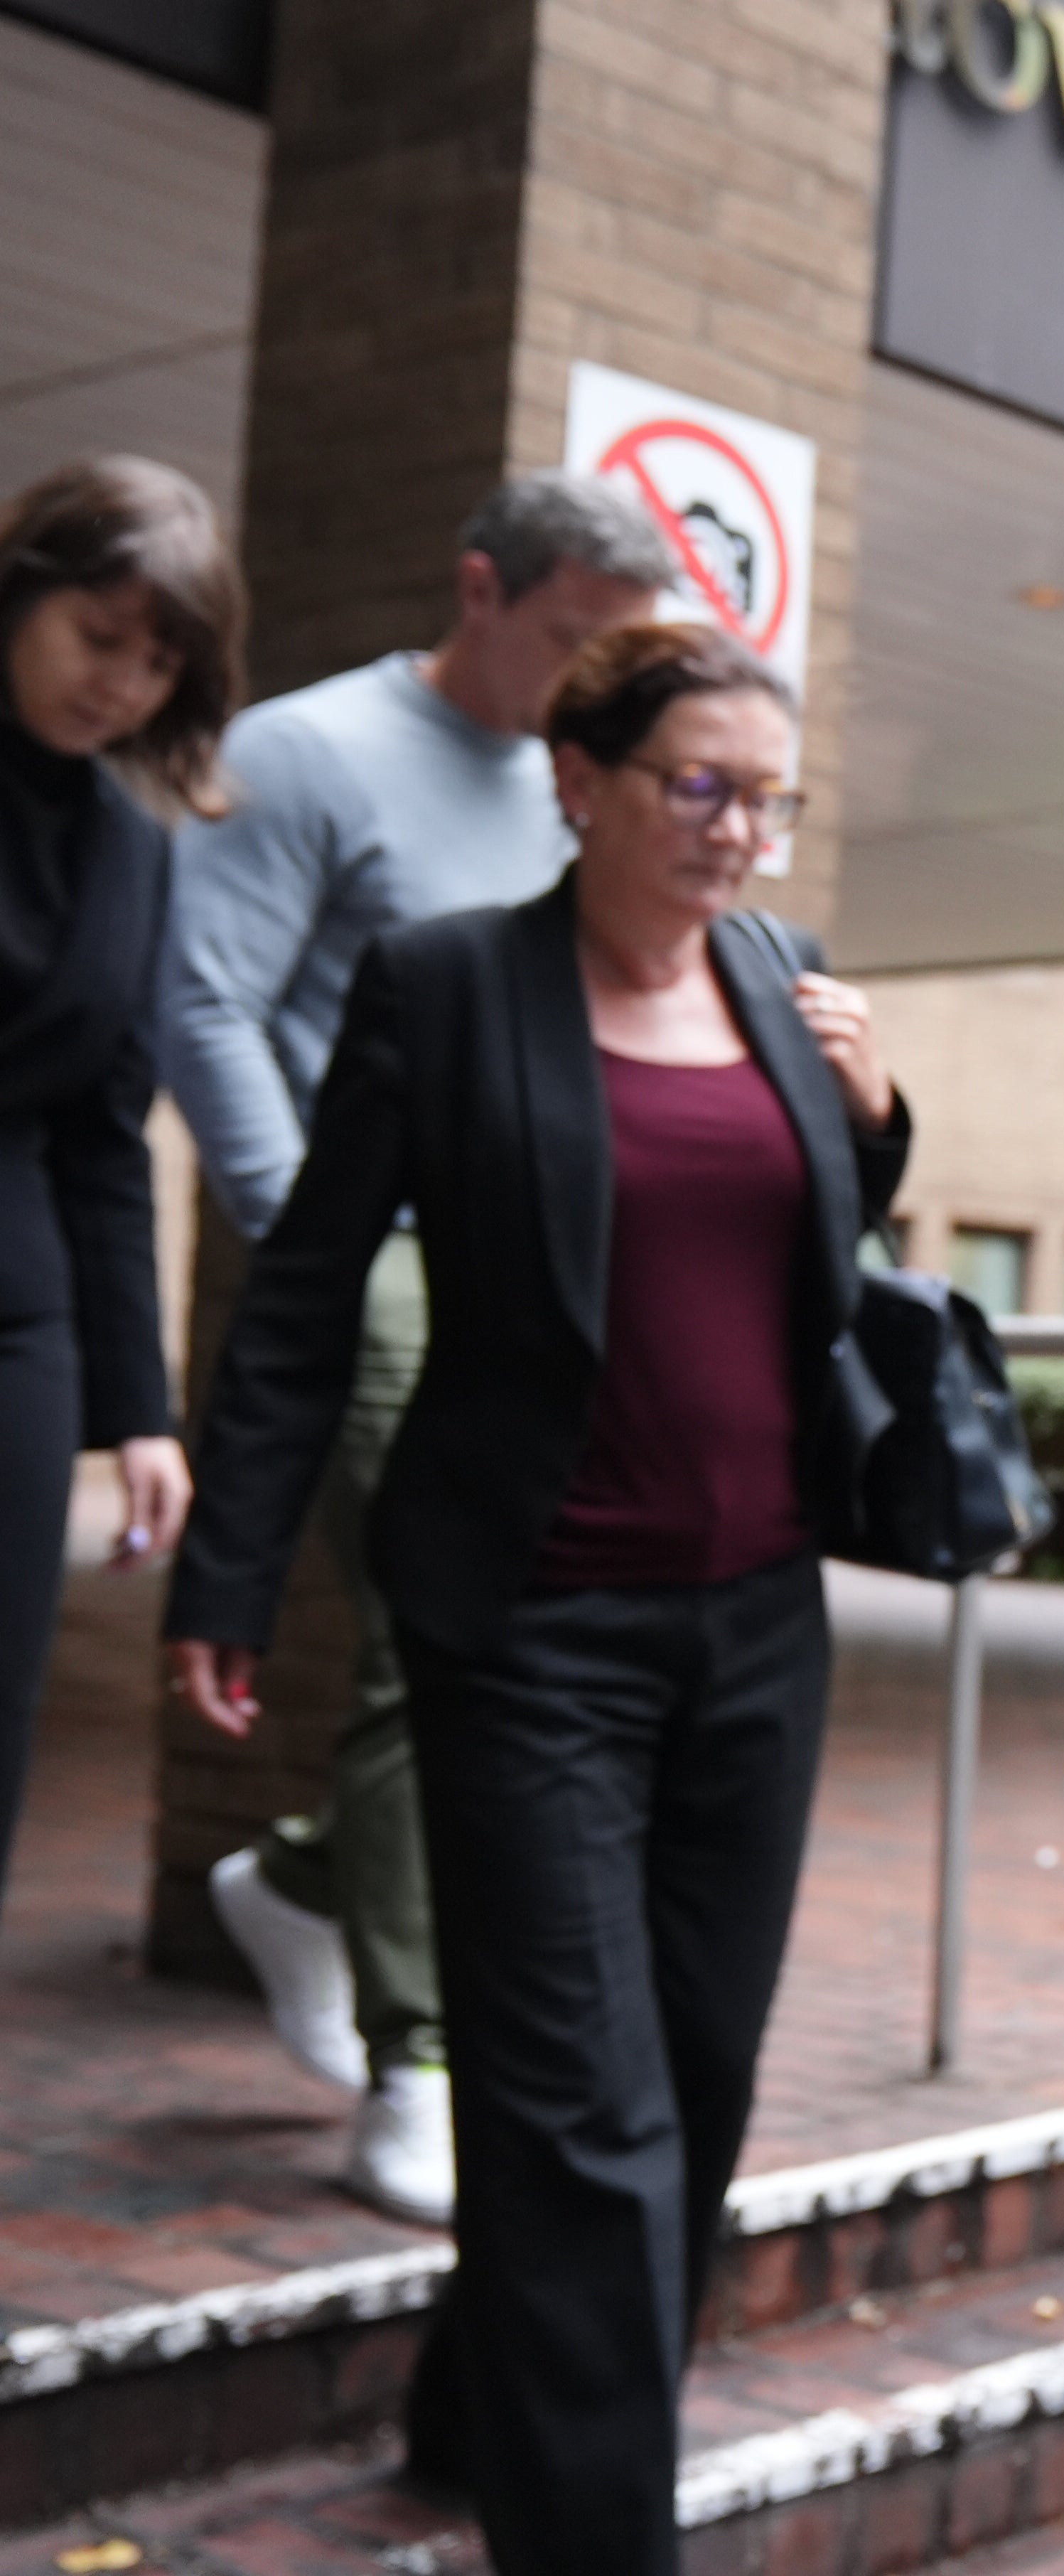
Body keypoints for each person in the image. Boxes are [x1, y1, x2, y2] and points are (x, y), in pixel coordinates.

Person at [161, 622, 907, 2576]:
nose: (742, 832)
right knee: (582, 2113)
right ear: (580, 782)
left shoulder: (785, 979)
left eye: (771, 797)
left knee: (700, 2081)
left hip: (757, 1627)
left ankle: (478, 2411)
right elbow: (308, 1289)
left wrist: (878, 1121)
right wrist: (229, 1571)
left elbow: (819, 1267)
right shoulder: (448, 987)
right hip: (532, 1627)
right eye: (702, 788)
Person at [158, 467, 669, 2222]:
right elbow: (206, 989)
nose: (595, 681)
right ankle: (420, 2053)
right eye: (572, 641)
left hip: (524, 1266)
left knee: (518, 1613)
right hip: (364, 1246)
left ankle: (307, 1877)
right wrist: (305, 1223)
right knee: (440, 1606)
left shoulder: (574, 784)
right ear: (481, 587)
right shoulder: (313, 751)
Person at [0, 456, 240, 1907]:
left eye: (159, 665)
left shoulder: (132, 858)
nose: (122, 686)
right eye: (101, 638)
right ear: (22, 591)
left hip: (14, 1317)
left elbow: (105, 1140)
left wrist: (137, 1410)